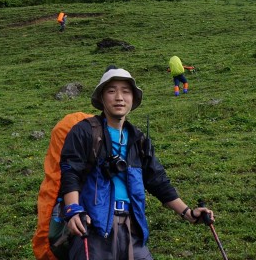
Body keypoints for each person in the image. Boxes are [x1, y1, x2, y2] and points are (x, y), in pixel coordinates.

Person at [59, 66, 214, 260]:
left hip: (132, 228)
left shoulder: (138, 140)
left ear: (133, 98)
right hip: (93, 229)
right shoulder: (84, 131)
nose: (119, 97)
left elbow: (157, 181)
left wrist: (188, 212)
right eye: (111, 91)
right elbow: (70, 170)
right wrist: (73, 210)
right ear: (101, 98)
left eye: (126, 91)